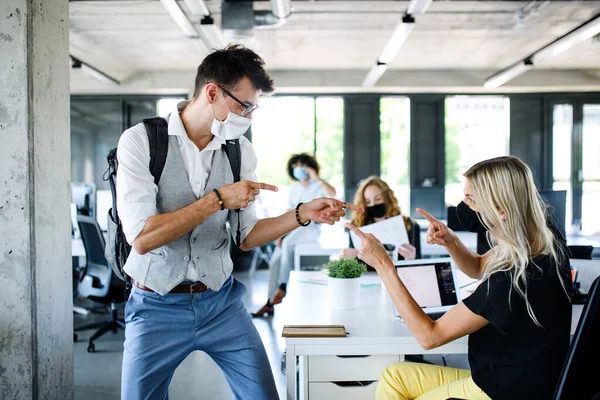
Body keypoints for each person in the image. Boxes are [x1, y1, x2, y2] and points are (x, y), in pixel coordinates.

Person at [117, 45, 358, 400]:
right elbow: (142, 238)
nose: (248, 117)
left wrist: (301, 214)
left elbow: (247, 237)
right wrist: (217, 200)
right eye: (244, 106)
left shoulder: (238, 150)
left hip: (221, 303)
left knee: (263, 395)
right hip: (155, 307)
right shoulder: (142, 141)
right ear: (212, 91)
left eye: (253, 108)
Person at [347, 156, 571, 400]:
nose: (462, 205)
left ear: (501, 209)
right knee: (394, 377)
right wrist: (452, 242)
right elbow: (477, 267)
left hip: (501, 390)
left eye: (471, 199)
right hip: (512, 377)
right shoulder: (541, 241)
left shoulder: (514, 278)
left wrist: (383, 264)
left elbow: (430, 336)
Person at [253, 153, 336, 317]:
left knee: (288, 244)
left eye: (302, 166)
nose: (299, 169)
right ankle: (269, 303)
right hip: (293, 227)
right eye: (296, 166)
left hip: (310, 229)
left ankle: (283, 286)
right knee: (275, 260)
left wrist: (317, 178)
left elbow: (332, 194)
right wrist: (280, 231)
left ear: (309, 167)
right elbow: (290, 210)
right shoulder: (295, 188)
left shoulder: (318, 185)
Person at [340, 176, 420, 267]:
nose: (373, 204)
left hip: (399, 278)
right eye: (368, 202)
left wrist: (412, 258)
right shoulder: (357, 224)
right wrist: (347, 259)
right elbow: (353, 266)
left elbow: (419, 265)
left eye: (378, 199)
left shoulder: (410, 225)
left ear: (387, 198)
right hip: (368, 278)